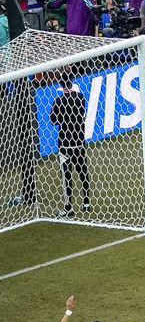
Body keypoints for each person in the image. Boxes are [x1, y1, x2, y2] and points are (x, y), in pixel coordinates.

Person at [49, 80, 90, 218]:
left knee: (66, 176)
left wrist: (62, 118)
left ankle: (69, 208)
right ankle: (86, 203)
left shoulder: (58, 101)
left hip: (65, 143)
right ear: (72, 84)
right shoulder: (81, 98)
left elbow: (53, 121)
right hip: (79, 141)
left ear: (62, 87)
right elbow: (83, 114)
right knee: (82, 171)